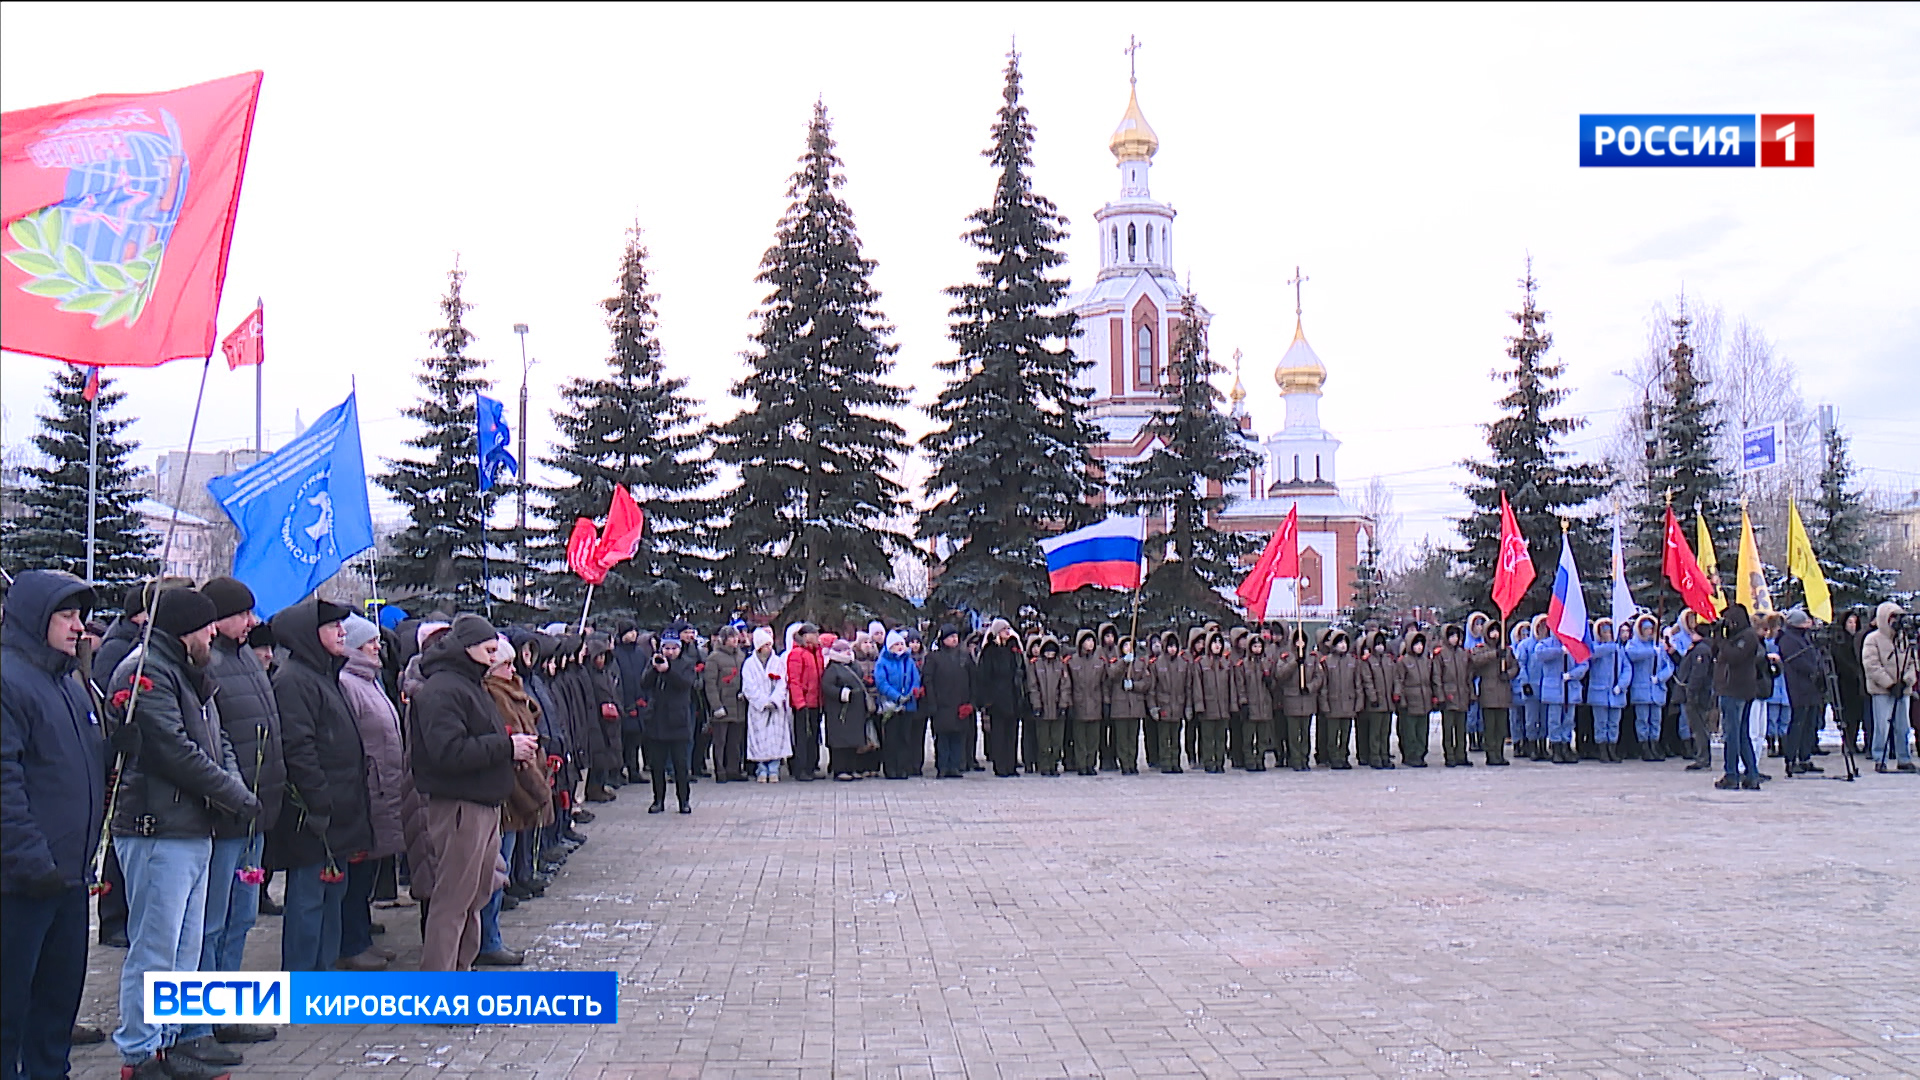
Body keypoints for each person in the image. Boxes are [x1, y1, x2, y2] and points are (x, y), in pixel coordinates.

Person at [105, 587, 261, 1079]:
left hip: (194, 828)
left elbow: (219, 743)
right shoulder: (145, 671)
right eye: (205, 626)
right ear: (183, 629)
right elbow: (174, 751)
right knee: (154, 948)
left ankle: (171, 1043)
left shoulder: (191, 673)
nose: (213, 633)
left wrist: (234, 787)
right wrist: (234, 796)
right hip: (157, 830)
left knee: (184, 951)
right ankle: (139, 1051)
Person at [2, 571, 107, 1080]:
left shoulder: (68, 683)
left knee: (57, 1005)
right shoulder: (7, 680)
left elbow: (73, 769)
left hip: (69, 876)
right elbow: (5, 782)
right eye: (66, 615)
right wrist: (30, 859)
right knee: (10, 1009)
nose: (78, 626)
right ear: (33, 618)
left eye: (79, 616)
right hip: (21, 882)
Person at [182, 577, 284, 1048]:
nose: (252, 622)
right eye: (242, 614)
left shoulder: (245, 659)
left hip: (255, 814)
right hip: (225, 815)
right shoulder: (208, 664)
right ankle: (198, 1020)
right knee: (212, 923)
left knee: (242, 918)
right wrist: (233, 794)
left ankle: (228, 1009)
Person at [411, 616, 535, 971]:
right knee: (453, 900)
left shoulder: (469, 685)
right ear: (467, 648)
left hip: (482, 802)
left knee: (474, 897)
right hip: (460, 807)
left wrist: (511, 750)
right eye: (489, 651)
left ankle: (461, 971)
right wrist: (506, 748)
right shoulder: (443, 690)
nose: (494, 659)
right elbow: (448, 751)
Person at [266, 598, 372, 974]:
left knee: (332, 893)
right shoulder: (294, 680)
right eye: (333, 627)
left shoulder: (325, 674)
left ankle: (323, 971)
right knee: (309, 897)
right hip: (314, 812)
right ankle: (300, 977)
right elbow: (298, 746)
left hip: (338, 806)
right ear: (310, 635)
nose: (343, 633)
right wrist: (318, 799)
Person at [333, 615, 406, 971]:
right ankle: (351, 942)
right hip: (366, 789)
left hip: (382, 788)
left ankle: (362, 935)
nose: (379, 647)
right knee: (357, 870)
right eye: (370, 642)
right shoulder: (349, 682)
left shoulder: (370, 680)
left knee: (367, 870)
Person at [479, 636, 552, 966]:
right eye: (505, 664)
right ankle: (487, 938)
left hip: (521, 785)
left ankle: (490, 936)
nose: (512, 669)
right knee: (494, 871)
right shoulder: (492, 694)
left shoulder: (514, 691)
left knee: (501, 868)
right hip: (508, 792)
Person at [1711, 603, 1769, 790]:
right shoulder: (1740, 636)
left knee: (1733, 734)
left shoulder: (1747, 637)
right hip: (1736, 689)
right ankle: (1750, 774)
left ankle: (1732, 774)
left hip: (1736, 690)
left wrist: (1722, 640)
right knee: (1741, 734)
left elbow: (1734, 656)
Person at [639, 636, 698, 812]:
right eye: (667, 648)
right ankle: (658, 800)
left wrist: (668, 670)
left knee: (681, 766)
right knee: (657, 766)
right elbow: (644, 683)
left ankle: (684, 801)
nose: (670, 652)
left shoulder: (686, 664)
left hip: (678, 721)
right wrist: (655, 669)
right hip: (657, 721)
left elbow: (685, 684)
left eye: (674, 648)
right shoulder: (654, 663)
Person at [1861, 601, 1916, 773]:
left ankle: (1904, 757)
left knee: (1903, 725)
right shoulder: (1873, 639)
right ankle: (1880, 757)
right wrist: (1890, 684)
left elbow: (1913, 663)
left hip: (1903, 689)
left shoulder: (1904, 639)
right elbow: (1871, 665)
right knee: (1882, 725)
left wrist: (1907, 681)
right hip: (1882, 690)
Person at [1527, 624, 1586, 764]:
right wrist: (1559, 651)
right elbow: (1540, 654)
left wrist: (1572, 674)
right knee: (1554, 720)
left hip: (1570, 687)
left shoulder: (1575, 644)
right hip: (1554, 689)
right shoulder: (1545, 644)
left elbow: (1584, 663)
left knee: (1568, 720)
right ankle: (1556, 747)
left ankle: (1566, 746)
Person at [1777, 610, 1825, 776]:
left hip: (1811, 687)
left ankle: (1805, 757)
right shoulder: (1788, 639)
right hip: (1798, 687)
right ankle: (1792, 758)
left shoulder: (1805, 637)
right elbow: (1797, 661)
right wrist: (1813, 670)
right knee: (1798, 723)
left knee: (1810, 724)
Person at [975, 620, 1026, 778]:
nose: (1007, 632)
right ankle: (1000, 766)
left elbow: (1021, 668)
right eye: (1004, 629)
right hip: (997, 699)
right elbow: (983, 676)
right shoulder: (989, 651)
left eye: (1008, 629)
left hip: (1012, 697)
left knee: (1012, 733)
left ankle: (1011, 765)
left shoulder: (1013, 648)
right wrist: (987, 700)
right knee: (998, 734)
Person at [922, 626, 975, 779]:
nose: (954, 639)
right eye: (950, 637)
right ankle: (942, 766)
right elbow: (928, 680)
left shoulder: (964, 657)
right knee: (942, 737)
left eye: (956, 636)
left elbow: (973, 679)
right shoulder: (934, 657)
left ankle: (955, 766)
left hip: (960, 704)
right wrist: (931, 702)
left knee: (958, 737)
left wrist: (971, 702)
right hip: (941, 704)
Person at [742, 628, 793, 781]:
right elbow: (748, 686)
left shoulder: (777, 662)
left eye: (770, 645)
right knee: (759, 738)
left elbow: (783, 682)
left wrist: (775, 700)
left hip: (776, 707)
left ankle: (774, 769)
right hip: (758, 708)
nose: (768, 648)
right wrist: (762, 701)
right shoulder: (749, 664)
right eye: (765, 645)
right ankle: (761, 769)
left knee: (776, 738)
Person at [1624, 614, 1675, 762]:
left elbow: (1669, 666)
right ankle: (1644, 746)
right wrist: (1651, 652)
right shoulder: (1634, 644)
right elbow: (1632, 655)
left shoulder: (1658, 646)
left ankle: (1654, 744)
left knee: (1655, 720)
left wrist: (1660, 677)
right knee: (1642, 720)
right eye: (1646, 629)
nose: (1649, 631)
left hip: (1656, 689)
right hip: (1641, 689)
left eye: (1651, 629)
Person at [1468, 622, 1519, 766]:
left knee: (1501, 727)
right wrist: (1494, 654)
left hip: (1503, 692)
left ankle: (1500, 753)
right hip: (1488, 692)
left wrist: (1507, 674)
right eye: (1492, 631)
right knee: (1490, 727)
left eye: (1497, 630)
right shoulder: (1481, 649)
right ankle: (1491, 754)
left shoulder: (1507, 650)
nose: (1495, 634)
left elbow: (1515, 667)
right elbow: (1476, 661)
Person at [874, 631, 923, 780]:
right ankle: (891, 768)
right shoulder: (883, 662)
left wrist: (910, 694)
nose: (900, 647)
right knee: (891, 738)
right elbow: (881, 682)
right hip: (891, 705)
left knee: (905, 737)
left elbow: (915, 679)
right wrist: (896, 696)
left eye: (902, 644)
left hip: (907, 705)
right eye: (896, 645)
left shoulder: (909, 662)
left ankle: (903, 768)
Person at [703, 626, 748, 783]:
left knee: (735, 741)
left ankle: (733, 770)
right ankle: (720, 771)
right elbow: (710, 684)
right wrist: (716, 706)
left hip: (738, 705)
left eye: (736, 637)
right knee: (720, 741)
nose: (735, 640)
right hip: (723, 705)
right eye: (731, 637)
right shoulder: (714, 658)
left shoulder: (741, 656)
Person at [821, 639, 870, 781]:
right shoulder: (832, 668)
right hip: (839, 710)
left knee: (854, 740)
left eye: (847, 649)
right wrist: (841, 693)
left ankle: (851, 768)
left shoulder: (854, 665)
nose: (847, 652)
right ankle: (840, 769)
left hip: (855, 708)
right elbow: (827, 686)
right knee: (840, 741)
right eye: (842, 650)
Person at [1582, 618, 1628, 763]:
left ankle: (1612, 748)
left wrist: (1621, 684)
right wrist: (1609, 646)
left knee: (1614, 723)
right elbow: (1592, 655)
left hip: (1616, 692)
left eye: (1610, 632)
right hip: (1599, 692)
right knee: (1600, 723)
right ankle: (1602, 750)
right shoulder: (1595, 648)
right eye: (1605, 632)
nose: (1608, 634)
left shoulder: (1619, 650)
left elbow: (1627, 668)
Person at [1274, 628, 1319, 771]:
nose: (1301, 643)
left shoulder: (1312, 658)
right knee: (1293, 734)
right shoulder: (1286, 657)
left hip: (1307, 699)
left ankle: (1304, 758)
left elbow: (1319, 677)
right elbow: (1280, 675)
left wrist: (1310, 687)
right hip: (1291, 700)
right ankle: (1295, 759)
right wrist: (1294, 663)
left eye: (1303, 640)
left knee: (1305, 733)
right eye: (1298, 640)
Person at [784, 624, 825, 781]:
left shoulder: (817, 653)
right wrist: (800, 703)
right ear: (806, 636)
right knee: (802, 736)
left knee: (814, 735)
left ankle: (811, 766)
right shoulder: (797, 654)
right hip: (804, 703)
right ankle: (800, 768)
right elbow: (794, 681)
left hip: (816, 702)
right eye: (814, 634)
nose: (817, 637)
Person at [1152, 632, 1197, 773]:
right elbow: (1152, 688)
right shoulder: (1157, 664)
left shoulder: (1183, 664)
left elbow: (1188, 687)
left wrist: (1188, 706)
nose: (1172, 649)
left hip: (1178, 705)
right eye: (1170, 646)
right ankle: (1165, 762)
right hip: (1163, 704)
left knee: (1176, 737)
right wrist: (1153, 707)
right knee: (1164, 737)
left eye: (1174, 646)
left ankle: (1175, 761)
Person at [1318, 630, 1364, 770]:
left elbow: (1358, 684)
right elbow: (1323, 685)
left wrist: (1358, 702)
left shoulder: (1353, 661)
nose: (1342, 646)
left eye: (1344, 642)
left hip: (1349, 703)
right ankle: (1334, 758)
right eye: (1339, 643)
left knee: (1345, 734)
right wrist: (1324, 704)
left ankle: (1344, 756)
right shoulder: (1327, 661)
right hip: (1333, 703)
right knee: (1333, 735)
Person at [1106, 636, 1150, 775]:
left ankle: (1133, 762)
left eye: (1130, 645)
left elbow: (1147, 682)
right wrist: (1123, 663)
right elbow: (1112, 675)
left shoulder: (1140, 664)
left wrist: (1134, 686)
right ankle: (1125, 763)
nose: (1128, 648)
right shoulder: (1115, 662)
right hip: (1120, 707)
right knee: (1122, 738)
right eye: (1125, 645)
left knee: (1133, 737)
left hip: (1135, 706)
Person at [1065, 630, 1107, 776]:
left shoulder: (1099, 662)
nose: (1090, 644)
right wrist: (1069, 703)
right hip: (1079, 703)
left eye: (1092, 641)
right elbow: (1067, 684)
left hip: (1095, 704)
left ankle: (1091, 764)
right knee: (1080, 738)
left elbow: (1104, 684)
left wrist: (1105, 702)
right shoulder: (1072, 661)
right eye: (1087, 641)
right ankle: (1081, 764)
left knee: (1093, 738)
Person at [1675, 626, 1717, 771]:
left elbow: (1698, 674)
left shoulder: (1701, 650)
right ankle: (1702, 757)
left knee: (1699, 727)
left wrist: (1691, 692)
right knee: (1697, 726)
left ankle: (1703, 759)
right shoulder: (1700, 648)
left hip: (1698, 694)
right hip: (1697, 693)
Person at [1393, 629, 1436, 767]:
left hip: (1424, 701)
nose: (1419, 647)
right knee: (1409, 732)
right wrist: (1401, 698)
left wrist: (1434, 696)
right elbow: (1399, 680)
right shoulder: (1403, 662)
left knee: (1422, 731)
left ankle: (1420, 754)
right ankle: (1410, 755)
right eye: (1416, 644)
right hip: (1410, 702)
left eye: (1421, 644)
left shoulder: (1426, 661)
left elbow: (1432, 679)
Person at [1027, 637, 1069, 776]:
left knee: (1057, 740)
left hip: (1057, 708)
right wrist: (1037, 705)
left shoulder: (1061, 665)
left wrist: (1063, 705)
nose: (1050, 653)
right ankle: (1044, 765)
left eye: (1052, 650)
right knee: (1043, 740)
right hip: (1043, 708)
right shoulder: (1036, 665)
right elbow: (1033, 687)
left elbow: (1065, 686)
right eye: (1047, 650)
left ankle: (1054, 764)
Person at [1356, 630, 1396, 769]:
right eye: (1377, 644)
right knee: (1375, 733)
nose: (1380, 647)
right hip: (1375, 703)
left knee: (1385, 732)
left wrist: (1395, 693)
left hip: (1388, 702)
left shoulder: (1388, 660)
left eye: (1382, 644)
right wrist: (1373, 697)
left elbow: (1395, 678)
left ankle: (1384, 756)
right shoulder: (1367, 662)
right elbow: (1367, 681)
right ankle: (1374, 757)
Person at [1833, 608, 1869, 755]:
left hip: (1859, 683)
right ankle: (1849, 743)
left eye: (1855, 622)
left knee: (1858, 714)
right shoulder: (1840, 640)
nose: (1853, 625)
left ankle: (1854, 742)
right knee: (1849, 715)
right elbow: (1841, 660)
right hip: (1846, 683)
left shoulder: (1860, 639)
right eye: (1850, 622)